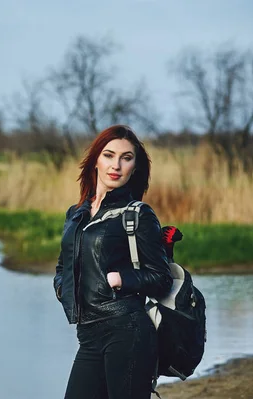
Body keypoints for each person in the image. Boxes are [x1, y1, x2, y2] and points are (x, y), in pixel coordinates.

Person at [53, 124, 173, 399]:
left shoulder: (137, 215)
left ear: (134, 166)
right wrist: (62, 288)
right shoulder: (76, 214)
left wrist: (122, 279)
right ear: (96, 159)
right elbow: (63, 266)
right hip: (88, 335)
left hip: (126, 331)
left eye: (126, 158)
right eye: (109, 155)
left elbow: (162, 278)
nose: (116, 165)